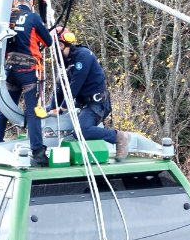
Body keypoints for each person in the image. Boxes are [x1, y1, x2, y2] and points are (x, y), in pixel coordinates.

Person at [0, 0, 54, 167]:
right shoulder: (33, 17)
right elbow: (48, 41)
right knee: (32, 111)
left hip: (10, 69)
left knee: (5, 106)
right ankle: (38, 151)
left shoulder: (7, 17)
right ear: (31, 0)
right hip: (27, 71)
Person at [49, 27, 131, 161]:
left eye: (53, 46)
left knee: (81, 131)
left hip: (97, 104)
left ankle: (118, 137)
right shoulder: (65, 61)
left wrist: (62, 108)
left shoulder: (83, 56)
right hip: (83, 104)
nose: (52, 51)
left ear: (62, 44)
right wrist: (52, 108)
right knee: (47, 112)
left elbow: (75, 85)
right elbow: (60, 87)